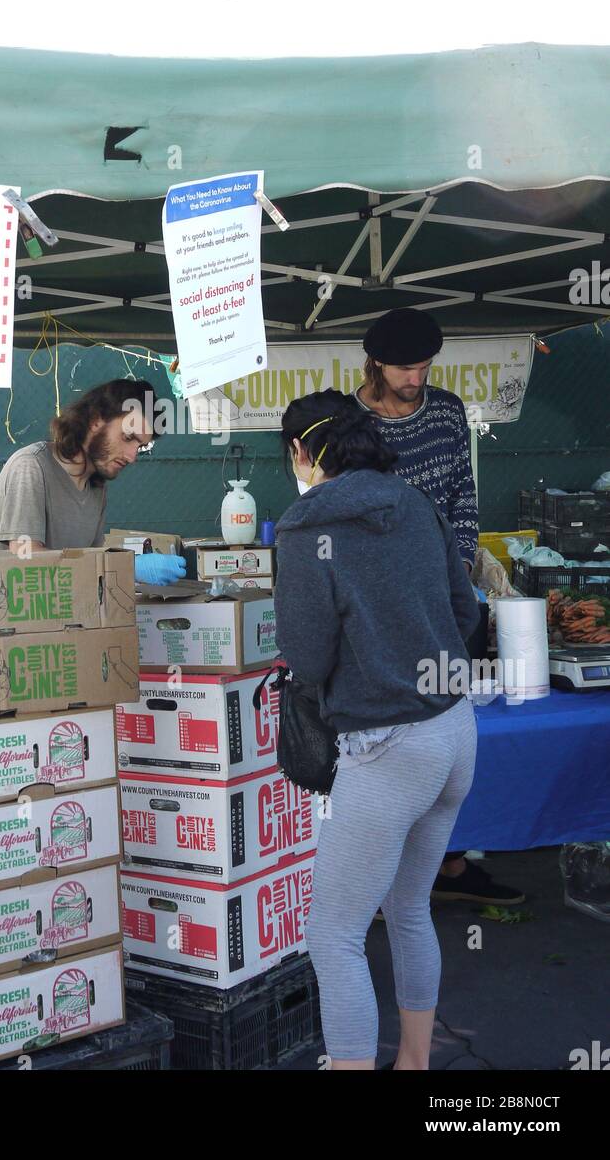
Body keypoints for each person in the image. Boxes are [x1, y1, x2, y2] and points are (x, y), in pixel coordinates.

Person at [274, 391, 480, 1070]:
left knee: (333, 935)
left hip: (389, 748)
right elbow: (464, 608)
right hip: (454, 732)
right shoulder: (415, 503)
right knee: (410, 908)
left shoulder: (306, 529)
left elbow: (305, 657)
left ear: (302, 452)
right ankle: (414, 1064)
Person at [355, 307, 523, 907]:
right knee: (395, 734)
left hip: (446, 595)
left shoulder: (448, 410)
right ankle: (382, 876)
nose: (416, 377)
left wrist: (451, 575)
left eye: (424, 366)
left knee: (448, 727)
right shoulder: (352, 421)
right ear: (374, 363)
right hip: (379, 602)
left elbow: (462, 496)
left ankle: (447, 864)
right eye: (404, 368)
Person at [0, 378, 186, 585]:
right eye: (127, 438)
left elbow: (91, 566)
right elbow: (26, 559)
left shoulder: (95, 487)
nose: (131, 456)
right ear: (95, 420)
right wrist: (128, 568)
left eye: (140, 447)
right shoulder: (31, 467)